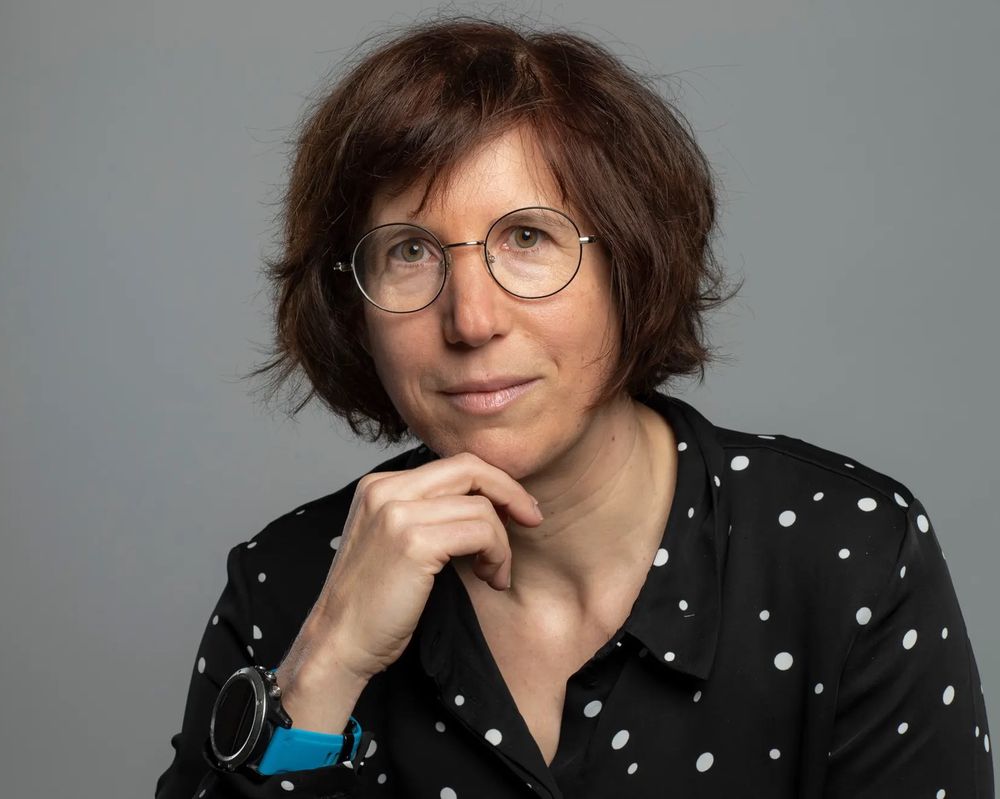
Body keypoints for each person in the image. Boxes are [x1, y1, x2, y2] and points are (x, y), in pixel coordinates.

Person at [155, 16, 993, 799]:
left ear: (632, 264)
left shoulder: (847, 554)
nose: (471, 320)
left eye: (527, 237)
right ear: (355, 308)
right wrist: (326, 663)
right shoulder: (287, 584)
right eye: (410, 251)